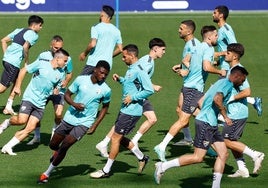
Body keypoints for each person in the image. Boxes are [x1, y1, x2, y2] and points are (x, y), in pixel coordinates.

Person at [154, 66, 249, 188]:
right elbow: (217, 99)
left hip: (211, 123)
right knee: (198, 157)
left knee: (223, 154)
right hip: (206, 124)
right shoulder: (228, 84)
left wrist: (210, 113)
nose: (242, 83)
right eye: (243, 80)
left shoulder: (220, 82)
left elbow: (201, 102)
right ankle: (163, 166)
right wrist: (225, 117)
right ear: (237, 76)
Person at [154, 25, 226, 162]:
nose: (218, 38)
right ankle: (161, 146)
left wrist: (184, 70)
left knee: (203, 116)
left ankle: (207, 146)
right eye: (216, 35)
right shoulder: (206, 48)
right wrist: (220, 71)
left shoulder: (197, 47)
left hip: (193, 88)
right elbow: (206, 67)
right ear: (209, 36)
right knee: (183, 119)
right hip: (193, 89)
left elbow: (186, 60)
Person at [37, 60, 112, 184]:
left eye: (106, 75)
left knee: (65, 145)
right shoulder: (81, 80)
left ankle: (46, 174)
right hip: (69, 118)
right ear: (95, 70)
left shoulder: (106, 89)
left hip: (85, 122)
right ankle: (56, 153)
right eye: (101, 73)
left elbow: (105, 107)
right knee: (53, 145)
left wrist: (95, 125)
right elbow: (67, 94)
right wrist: (74, 104)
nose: (103, 76)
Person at [89, 44, 154, 178]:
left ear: (132, 56)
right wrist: (121, 80)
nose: (122, 59)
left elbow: (149, 89)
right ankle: (142, 158)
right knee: (120, 138)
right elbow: (132, 84)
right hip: (125, 109)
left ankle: (106, 170)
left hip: (132, 111)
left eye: (124, 57)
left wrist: (133, 97)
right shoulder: (132, 68)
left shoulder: (140, 70)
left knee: (115, 139)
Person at [95, 38, 166, 158]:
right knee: (130, 120)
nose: (164, 52)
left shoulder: (148, 60)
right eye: (163, 49)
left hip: (138, 95)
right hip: (138, 96)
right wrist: (153, 86)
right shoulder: (147, 62)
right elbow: (138, 78)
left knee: (150, 119)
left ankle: (106, 142)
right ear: (155, 49)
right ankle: (113, 143)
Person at [0, 49, 69, 155]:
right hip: (30, 98)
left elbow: (57, 88)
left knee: (30, 128)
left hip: (41, 104)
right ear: (58, 58)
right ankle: (6, 123)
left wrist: (57, 90)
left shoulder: (61, 74)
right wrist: (17, 86)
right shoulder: (42, 64)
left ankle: (7, 147)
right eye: (65, 61)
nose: (66, 63)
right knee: (21, 120)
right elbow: (23, 70)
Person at [221, 43, 264, 178]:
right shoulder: (232, 69)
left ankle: (255, 154)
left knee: (226, 141)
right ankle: (243, 169)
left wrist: (231, 98)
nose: (225, 54)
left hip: (237, 113)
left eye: (227, 53)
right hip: (235, 112)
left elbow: (247, 91)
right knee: (232, 141)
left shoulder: (238, 70)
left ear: (234, 56)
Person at [213, 5, 262, 116]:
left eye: (215, 13)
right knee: (224, 91)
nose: (212, 14)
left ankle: (221, 116)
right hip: (224, 64)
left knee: (220, 92)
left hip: (227, 67)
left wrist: (218, 54)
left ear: (221, 15)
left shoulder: (225, 29)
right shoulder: (221, 29)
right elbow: (226, 47)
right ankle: (253, 101)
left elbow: (234, 48)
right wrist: (219, 61)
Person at [26, 35, 73, 145]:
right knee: (36, 114)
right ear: (51, 45)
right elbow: (37, 68)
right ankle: (37, 136)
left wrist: (65, 82)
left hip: (59, 90)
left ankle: (54, 135)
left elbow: (69, 73)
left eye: (60, 47)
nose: (58, 49)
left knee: (58, 114)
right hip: (44, 90)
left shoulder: (67, 58)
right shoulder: (43, 55)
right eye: (56, 47)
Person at [1, 15, 44, 115]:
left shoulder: (19, 30)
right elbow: (25, 46)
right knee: (2, 88)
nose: (41, 28)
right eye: (40, 25)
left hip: (7, 60)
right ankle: (8, 106)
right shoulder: (34, 34)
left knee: (17, 81)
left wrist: (6, 55)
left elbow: (3, 40)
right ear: (34, 25)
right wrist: (26, 62)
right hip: (13, 63)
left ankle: (8, 106)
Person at [79, 5, 123, 75]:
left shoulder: (96, 27)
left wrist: (84, 54)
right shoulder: (117, 30)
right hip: (107, 65)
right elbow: (120, 49)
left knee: (81, 83)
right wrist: (108, 55)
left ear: (102, 14)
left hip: (93, 63)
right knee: (97, 85)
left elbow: (92, 44)